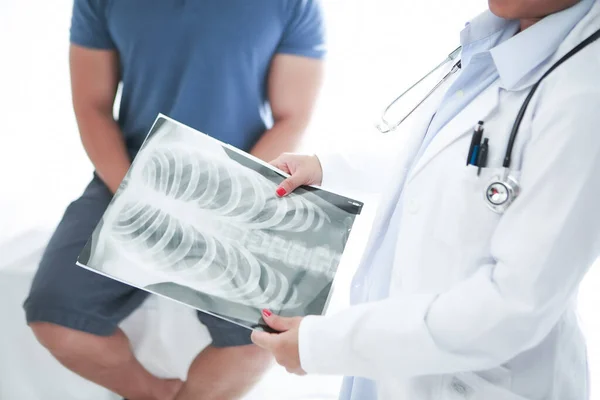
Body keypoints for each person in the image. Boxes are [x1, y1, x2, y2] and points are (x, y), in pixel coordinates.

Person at [250, 0, 600, 399]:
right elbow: (454, 167)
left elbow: (513, 307)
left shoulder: (585, 93)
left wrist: (323, 345)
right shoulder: (501, 39)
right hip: (395, 363)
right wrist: (328, 167)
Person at [23, 1, 325, 399]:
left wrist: (233, 195)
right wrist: (136, 196)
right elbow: (92, 105)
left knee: (262, 337)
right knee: (53, 315)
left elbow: (292, 115)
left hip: (247, 180)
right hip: (130, 173)